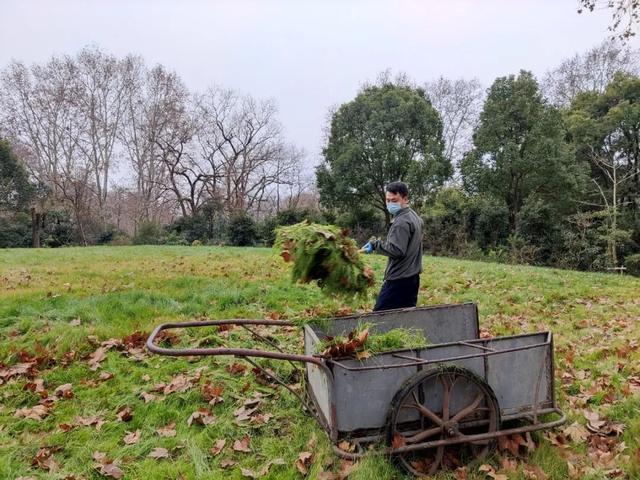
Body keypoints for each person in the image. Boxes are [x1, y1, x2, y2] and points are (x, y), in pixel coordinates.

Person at [361, 181, 423, 311]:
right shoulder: (414, 217)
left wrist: (375, 244)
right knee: (406, 319)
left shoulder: (401, 222)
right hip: (413, 278)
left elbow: (397, 250)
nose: (390, 204)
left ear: (405, 199)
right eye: (388, 200)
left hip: (399, 280)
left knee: (379, 317)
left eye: (394, 200)